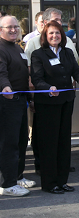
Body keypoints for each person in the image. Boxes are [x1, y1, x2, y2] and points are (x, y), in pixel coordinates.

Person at [31, 21, 79, 194]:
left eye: (58, 33)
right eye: (51, 33)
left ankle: (62, 181)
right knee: (49, 144)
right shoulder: (38, 54)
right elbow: (36, 79)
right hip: (47, 105)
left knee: (63, 143)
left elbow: (77, 71)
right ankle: (50, 183)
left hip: (66, 102)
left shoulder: (67, 53)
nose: (55, 36)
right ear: (45, 36)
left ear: (62, 35)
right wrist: (48, 88)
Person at [0, 16, 35, 197]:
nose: (13, 30)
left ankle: (17, 176)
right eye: (9, 27)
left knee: (22, 141)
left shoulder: (17, 47)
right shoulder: (1, 48)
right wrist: (5, 87)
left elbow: (23, 74)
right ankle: (8, 184)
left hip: (21, 99)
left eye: (15, 27)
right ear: (0, 30)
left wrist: (30, 97)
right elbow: (1, 72)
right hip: (9, 101)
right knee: (10, 143)